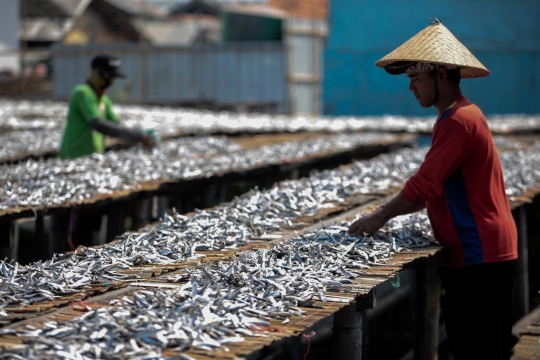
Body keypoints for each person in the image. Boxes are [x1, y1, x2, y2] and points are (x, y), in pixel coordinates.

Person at [348, 19, 517, 359]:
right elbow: (431, 189)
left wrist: (380, 216)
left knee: (477, 349)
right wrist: (392, 212)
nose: (411, 88)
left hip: (479, 253)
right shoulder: (460, 116)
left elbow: (424, 184)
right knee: (486, 346)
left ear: (440, 75)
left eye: (415, 78)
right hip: (485, 250)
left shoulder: (458, 121)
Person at [51, 55, 156, 255]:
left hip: (91, 165)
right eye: (110, 77)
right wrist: (136, 136)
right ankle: (65, 257)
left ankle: (86, 255)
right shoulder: (82, 93)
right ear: (100, 74)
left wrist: (140, 132)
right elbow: (98, 124)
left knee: (88, 217)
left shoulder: (103, 98)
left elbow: (114, 123)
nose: (112, 82)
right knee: (71, 219)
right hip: (72, 163)